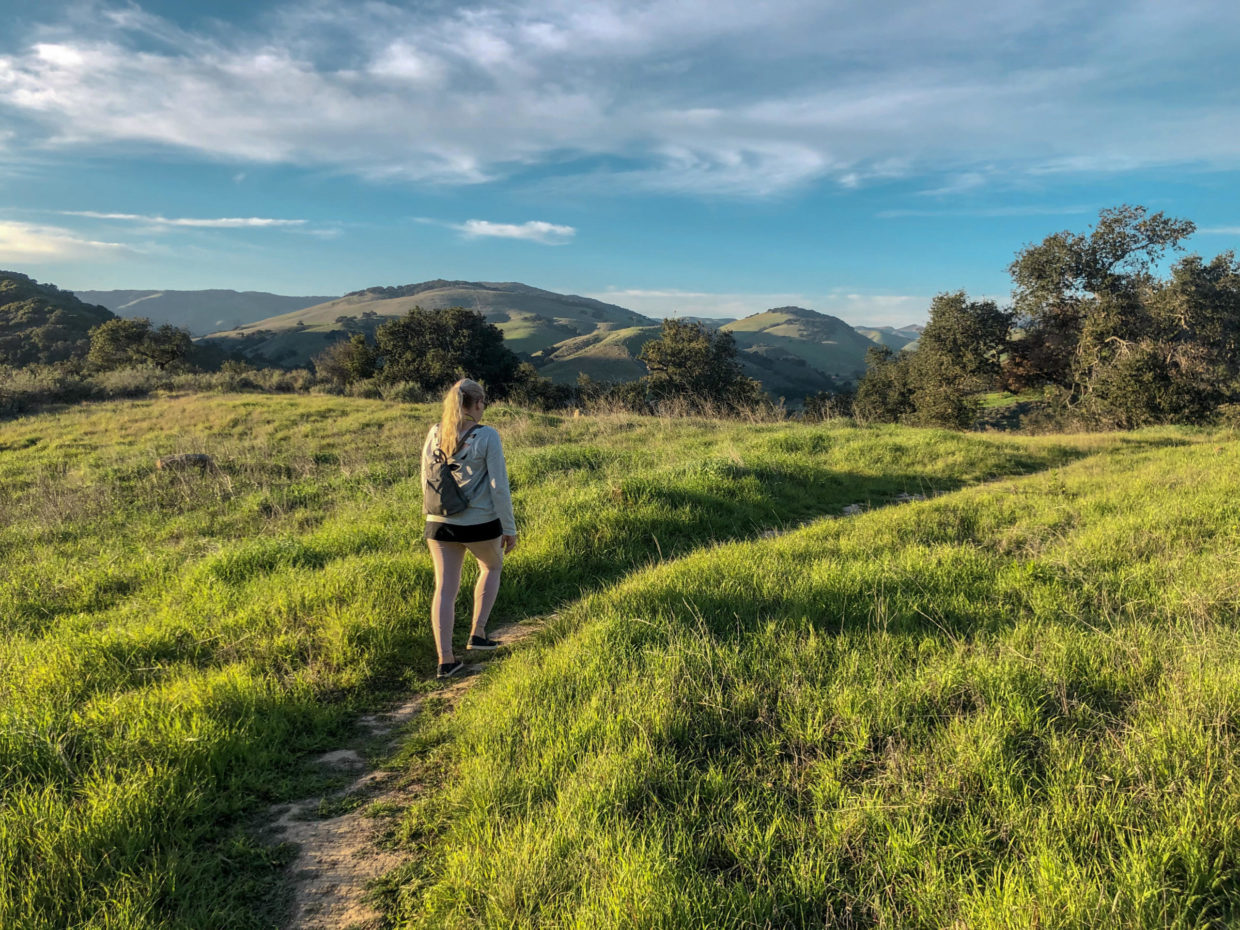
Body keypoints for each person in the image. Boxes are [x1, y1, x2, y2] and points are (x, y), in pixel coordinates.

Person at [421, 378, 518, 679]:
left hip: (438, 522)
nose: (484, 407)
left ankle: (445, 660)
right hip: (479, 522)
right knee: (491, 567)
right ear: (476, 404)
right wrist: (509, 527)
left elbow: (425, 477)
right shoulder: (487, 435)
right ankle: (478, 633)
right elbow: (498, 486)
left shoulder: (435, 432)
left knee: (445, 589)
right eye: (483, 402)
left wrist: (432, 514)